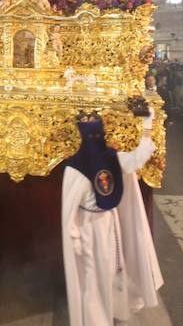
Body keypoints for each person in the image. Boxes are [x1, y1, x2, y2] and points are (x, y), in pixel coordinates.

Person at [61, 109, 163, 326]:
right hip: (88, 228)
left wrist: (147, 125)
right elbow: (70, 209)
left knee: (110, 272)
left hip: (109, 222)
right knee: (92, 277)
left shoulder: (112, 158)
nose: (94, 141)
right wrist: (74, 236)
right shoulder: (76, 167)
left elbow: (137, 159)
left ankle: (112, 312)